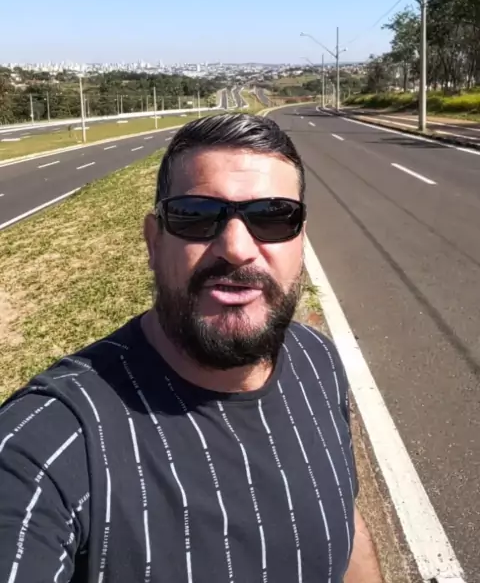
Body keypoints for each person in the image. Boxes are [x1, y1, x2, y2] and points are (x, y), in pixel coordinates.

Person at [0, 113, 382, 583]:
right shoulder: (50, 443)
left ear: (300, 240)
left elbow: (344, 521)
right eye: (196, 215)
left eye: (272, 216)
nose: (236, 248)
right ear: (154, 241)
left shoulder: (318, 362)